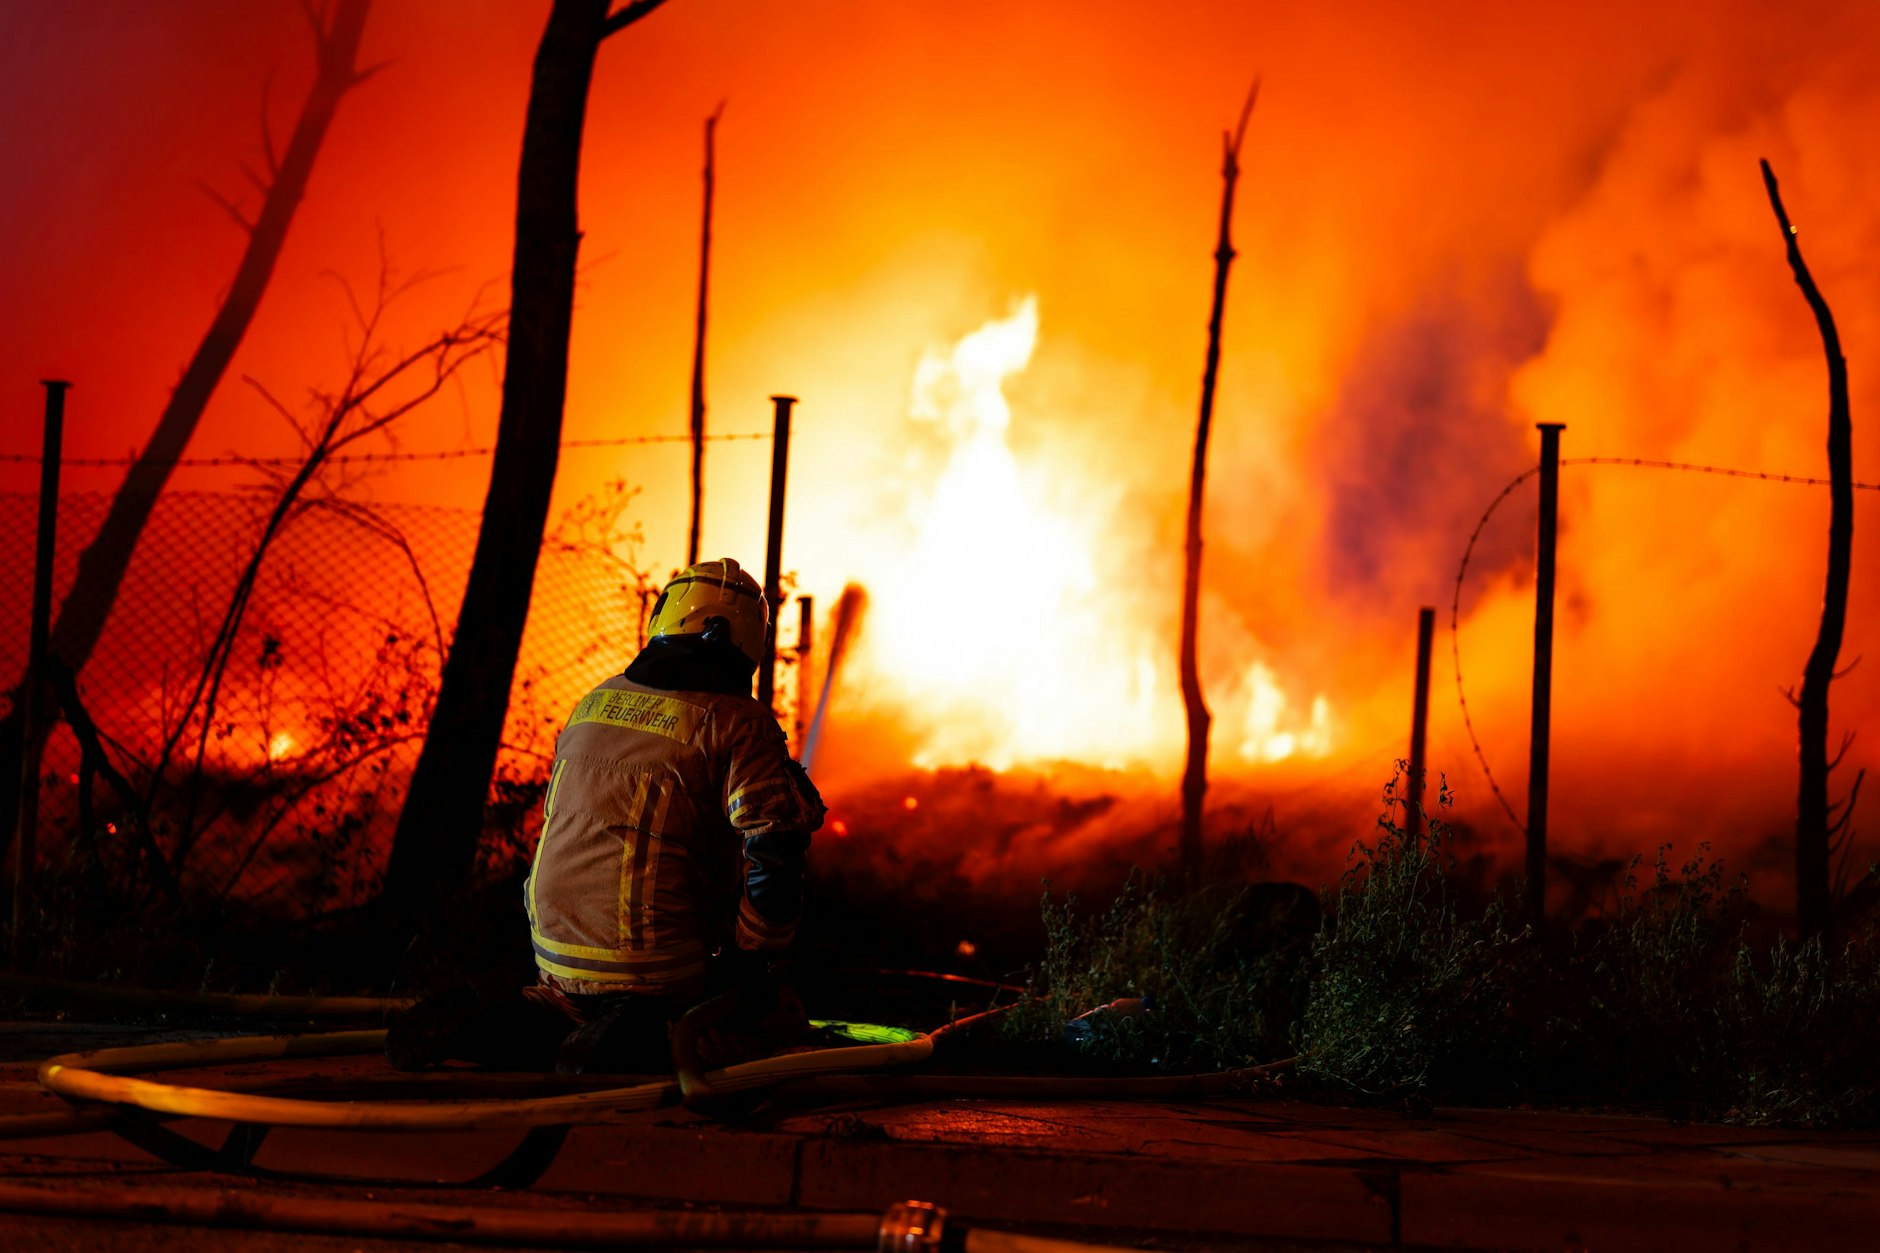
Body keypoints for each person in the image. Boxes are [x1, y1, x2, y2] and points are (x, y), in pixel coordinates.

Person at [388, 557, 824, 1073]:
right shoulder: (738, 721)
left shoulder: (596, 699)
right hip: (655, 961)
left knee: (570, 1009)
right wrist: (758, 960)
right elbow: (775, 845)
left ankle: (544, 1017)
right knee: (771, 1021)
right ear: (736, 637)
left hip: (552, 946)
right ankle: (646, 1036)